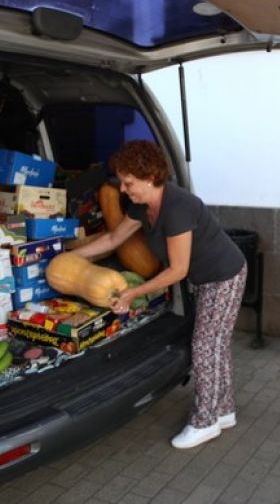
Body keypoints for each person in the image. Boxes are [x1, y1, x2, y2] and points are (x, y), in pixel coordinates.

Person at [72, 140, 247, 449]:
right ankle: (224, 411)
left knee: (206, 346)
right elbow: (114, 238)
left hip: (224, 276)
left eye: (129, 182)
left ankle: (205, 422)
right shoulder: (143, 205)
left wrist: (134, 292)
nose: (123, 189)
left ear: (150, 178)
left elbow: (177, 270)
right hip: (206, 278)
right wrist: (74, 257)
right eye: (122, 182)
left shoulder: (178, 208)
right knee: (215, 344)